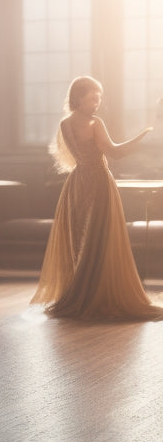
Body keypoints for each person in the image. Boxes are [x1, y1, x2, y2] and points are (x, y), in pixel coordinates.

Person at [31, 75, 162, 319]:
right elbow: (115, 152)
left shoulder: (65, 124)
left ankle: (82, 292)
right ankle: (97, 294)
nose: (97, 102)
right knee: (100, 238)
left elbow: (80, 156)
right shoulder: (94, 123)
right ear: (78, 98)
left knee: (81, 240)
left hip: (77, 184)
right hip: (99, 183)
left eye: (99, 97)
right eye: (93, 97)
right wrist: (142, 137)